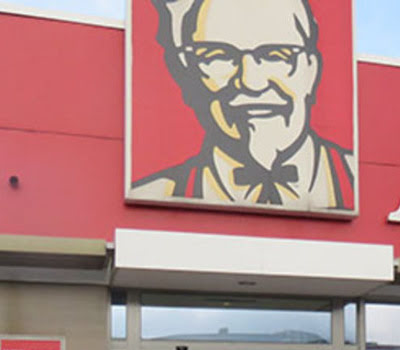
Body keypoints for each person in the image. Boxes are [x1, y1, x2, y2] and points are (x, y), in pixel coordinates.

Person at [130, 0, 355, 210]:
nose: (251, 82)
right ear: (190, 72)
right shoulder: (155, 193)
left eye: (276, 55)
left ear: (311, 69)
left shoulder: (356, 176)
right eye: (218, 55)